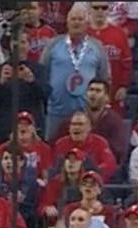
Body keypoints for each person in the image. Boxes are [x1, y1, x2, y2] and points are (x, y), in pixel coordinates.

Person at [39, 5, 110, 140]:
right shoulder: (53, 44)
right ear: (67, 22)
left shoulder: (97, 46)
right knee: (53, 146)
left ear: (87, 23)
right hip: (57, 109)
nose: (76, 22)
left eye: (80, 19)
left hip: (86, 111)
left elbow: (104, 77)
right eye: (73, 19)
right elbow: (43, 73)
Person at [0, 28, 49, 144]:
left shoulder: (38, 69)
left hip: (31, 126)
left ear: (29, 45)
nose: (19, 46)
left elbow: (47, 96)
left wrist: (32, 81)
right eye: (16, 42)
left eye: (23, 42)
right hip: (5, 127)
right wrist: (1, 82)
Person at [84, 2, 131, 111]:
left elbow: (127, 62)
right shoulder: (83, 33)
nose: (100, 11)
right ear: (89, 9)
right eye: (96, 7)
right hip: (87, 91)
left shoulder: (119, 33)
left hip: (114, 91)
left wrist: (123, 86)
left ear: (108, 10)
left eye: (104, 8)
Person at [52, 111, 116, 178]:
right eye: (73, 124)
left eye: (80, 124)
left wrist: (92, 172)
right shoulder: (61, 144)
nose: (76, 127)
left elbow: (109, 165)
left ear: (89, 127)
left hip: (91, 182)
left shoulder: (100, 143)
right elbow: (54, 167)